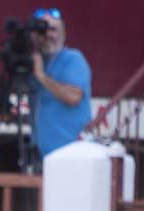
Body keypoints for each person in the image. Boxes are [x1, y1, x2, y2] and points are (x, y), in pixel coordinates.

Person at [31, 8, 92, 159]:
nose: (48, 35)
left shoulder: (73, 59)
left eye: (53, 29)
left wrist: (42, 76)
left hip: (70, 153)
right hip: (41, 154)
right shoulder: (37, 62)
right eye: (43, 30)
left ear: (63, 34)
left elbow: (73, 97)